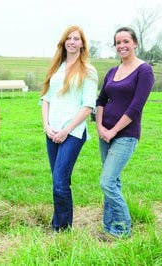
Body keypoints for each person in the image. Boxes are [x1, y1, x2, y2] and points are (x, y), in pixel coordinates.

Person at [96, 27, 154, 239]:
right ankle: (109, 228)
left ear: (135, 43)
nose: (122, 45)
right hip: (105, 133)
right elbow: (101, 100)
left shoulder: (144, 70)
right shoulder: (112, 72)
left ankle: (123, 229)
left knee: (107, 181)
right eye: (118, 42)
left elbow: (136, 107)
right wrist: (100, 127)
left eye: (126, 41)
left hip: (125, 134)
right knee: (114, 181)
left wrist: (113, 131)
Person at [40, 25, 98, 232]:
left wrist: (65, 131)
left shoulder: (88, 71)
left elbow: (88, 106)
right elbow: (45, 99)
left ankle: (62, 229)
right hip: (52, 131)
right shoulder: (56, 68)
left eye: (77, 38)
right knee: (58, 179)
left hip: (72, 133)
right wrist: (46, 126)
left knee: (60, 181)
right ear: (64, 42)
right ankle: (59, 221)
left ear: (82, 44)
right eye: (69, 38)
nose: (72, 42)